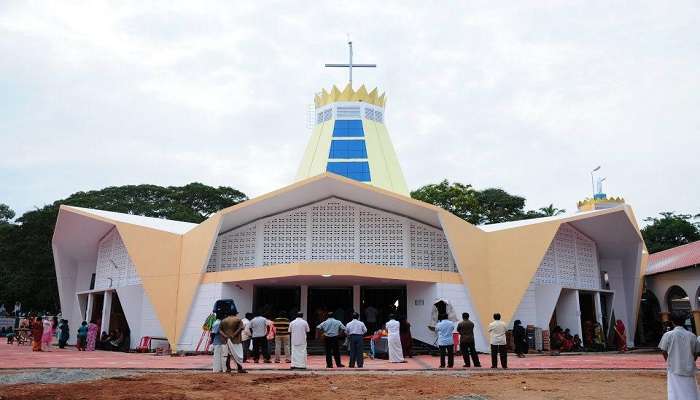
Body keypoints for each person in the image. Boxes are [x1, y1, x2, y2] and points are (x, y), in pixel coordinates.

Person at [659, 313, 700, 400]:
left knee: (674, 390)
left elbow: (663, 351)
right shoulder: (692, 336)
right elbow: (696, 353)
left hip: (674, 367)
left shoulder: (668, 335)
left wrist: (669, 361)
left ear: (672, 322)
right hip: (689, 368)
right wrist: (691, 361)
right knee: (690, 389)